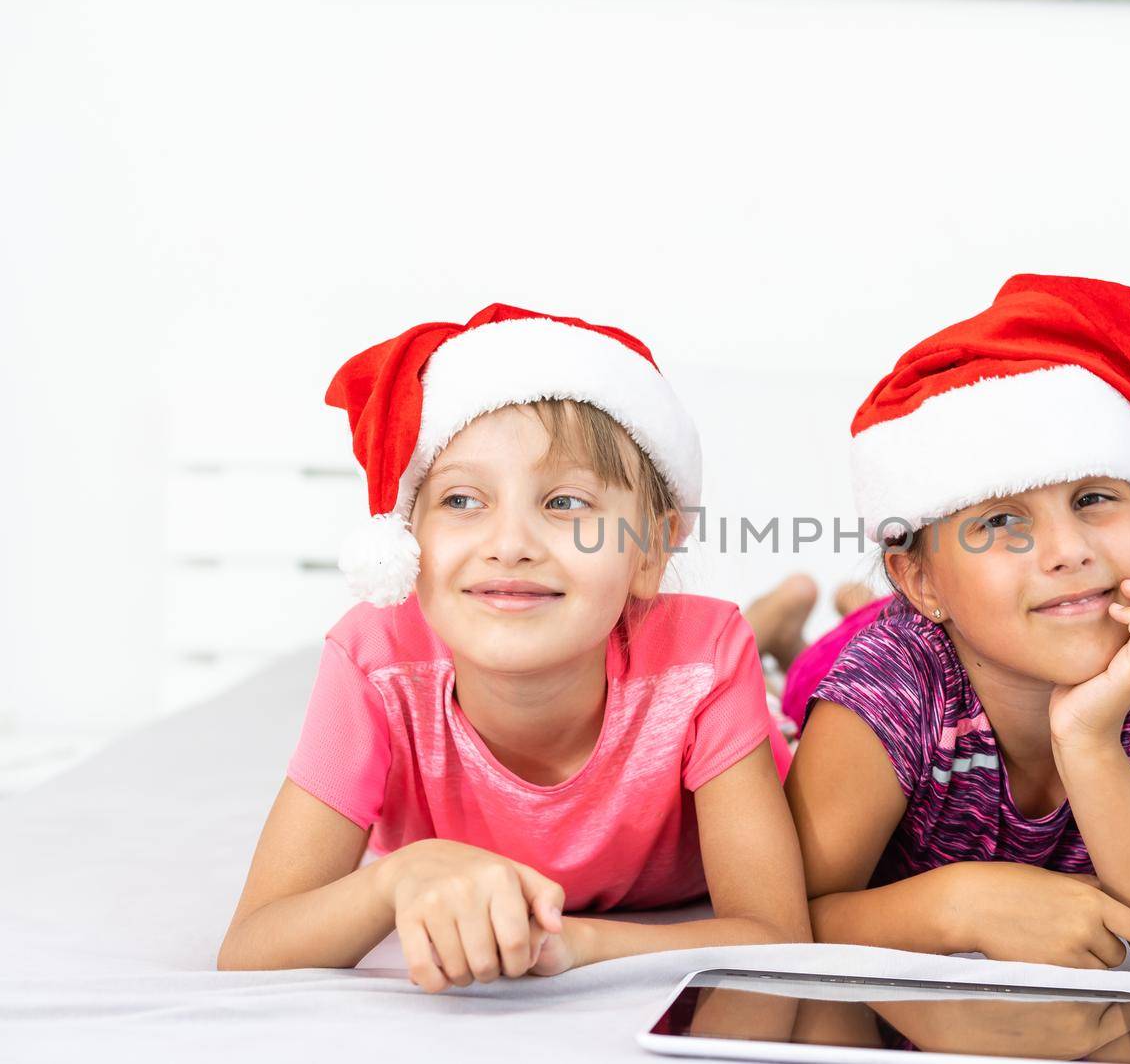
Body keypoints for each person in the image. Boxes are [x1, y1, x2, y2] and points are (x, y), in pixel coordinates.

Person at [218, 303, 810, 991]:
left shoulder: (705, 658)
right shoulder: (374, 662)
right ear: (408, 541)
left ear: (649, 550)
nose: (510, 545)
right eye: (463, 500)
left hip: (713, 676)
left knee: (798, 690)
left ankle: (781, 628)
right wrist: (398, 877)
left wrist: (572, 941)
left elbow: (776, 932)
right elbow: (251, 942)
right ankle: (779, 621)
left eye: (563, 503)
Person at [782, 275, 1130, 975]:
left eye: (1094, 497)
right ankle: (792, 628)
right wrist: (962, 903)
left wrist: (1090, 740)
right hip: (863, 659)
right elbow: (779, 920)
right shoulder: (885, 688)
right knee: (809, 671)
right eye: (1003, 520)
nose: (1070, 550)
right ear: (921, 579)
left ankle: (840, 603)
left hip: (963, 629)